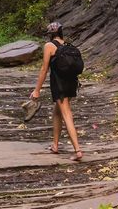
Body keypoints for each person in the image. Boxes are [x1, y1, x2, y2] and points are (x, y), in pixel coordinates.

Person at [30, 22, 83, 161]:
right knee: (57, 112)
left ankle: (78, 151)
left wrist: (37, 91)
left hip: (59, 84)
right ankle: (55, 145)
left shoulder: (49, 46)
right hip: (71, 83)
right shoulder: (67, 45)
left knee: (66, 114)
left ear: (50, 34)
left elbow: (44, 69)